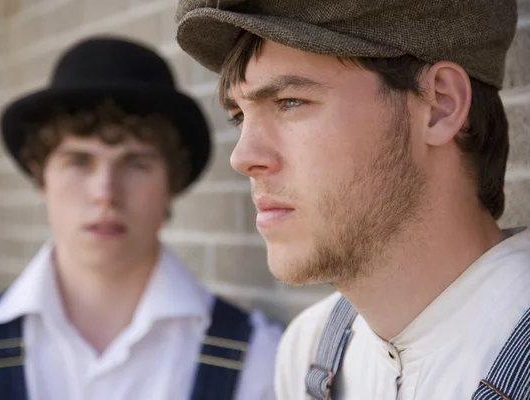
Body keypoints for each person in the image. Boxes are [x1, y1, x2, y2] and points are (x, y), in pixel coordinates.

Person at [174, 1, 529, 399]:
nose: (242, 158)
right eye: (239, 115)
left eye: (290, 102)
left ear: (439, 106)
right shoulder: (309, 351)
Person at [0, 35, 283, 400]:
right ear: (42, 178)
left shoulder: (260, 361)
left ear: (171, 184)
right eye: (79, 161)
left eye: (135, 163)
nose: (105, 193)